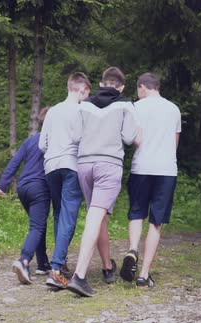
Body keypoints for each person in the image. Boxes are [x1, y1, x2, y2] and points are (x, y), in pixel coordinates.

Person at [66, 67, 139, 297]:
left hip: (85, 165)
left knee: (98, 218)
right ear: (122, 86)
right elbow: (128, 137)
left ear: (101, 83)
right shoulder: (126, 104)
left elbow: (76, 136)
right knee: (95, 218)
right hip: (108, 165)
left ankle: (108, 267)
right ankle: (79, 276)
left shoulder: (85, 104)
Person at [39, 72, 113, 289]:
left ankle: (59, 265)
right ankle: (56, 269)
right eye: (87, 93)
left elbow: (41, 145)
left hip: (51, 166)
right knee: (68, 217)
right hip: (71, 165)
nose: (87, 97)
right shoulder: (82, 110)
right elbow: (84, 139)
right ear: (82, 89)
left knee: (59, 214)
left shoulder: (52, 112)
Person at [119, 72, 181, 288]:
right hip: (166, 169)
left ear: (142, 87)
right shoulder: (173, 109)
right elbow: (175, 143)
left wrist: (145, 146)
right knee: (156, 222)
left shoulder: (136, 107)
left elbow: (134, 139)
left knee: (137, 213)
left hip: (141, 167)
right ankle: (144, 275)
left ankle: (133, 249)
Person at [0, 106, 52, 285]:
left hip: (23, 187)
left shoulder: (30, 141)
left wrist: (3, 184)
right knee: (37, 227)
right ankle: (24, 260)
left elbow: (15, 162)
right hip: (39, 187)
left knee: (38, 223)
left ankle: (42, 263)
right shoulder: (54, 142)